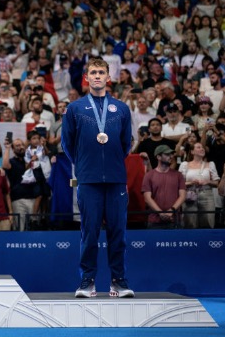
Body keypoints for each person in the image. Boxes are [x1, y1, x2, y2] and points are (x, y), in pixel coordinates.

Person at [61, 57, 134, 298]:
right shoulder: (75, 108)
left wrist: (110, 162)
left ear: (108, 77)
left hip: (115, 179)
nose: (97, 76)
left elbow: (125, 144)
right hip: (89, 180)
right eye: (93, 72)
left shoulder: (121, 109)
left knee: (118, 234)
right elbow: (67, 144)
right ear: (86, 78)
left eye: (101, 72)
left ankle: (118, 282)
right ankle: (87, 282)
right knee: (89, 233)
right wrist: (83, 166)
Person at [141, 145, 186, 229]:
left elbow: (182, 196)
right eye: (167, 154)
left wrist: (171, 210)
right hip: (154, 220)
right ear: (158, 157)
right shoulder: (149, 175)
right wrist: (161, 213)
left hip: (174, 220)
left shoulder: (178, 175)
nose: (171, 156)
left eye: (171, 154)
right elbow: (147, 198)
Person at [178, 142, 219, 229]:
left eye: (203, 147)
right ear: (192, 151)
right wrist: (191, 183)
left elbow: (217, 183)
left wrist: (207, 181)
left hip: (207, 195)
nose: (202, 149)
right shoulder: (184, 165)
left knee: (208, 223)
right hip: (190, 196)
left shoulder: (210, 164)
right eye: (198, 147)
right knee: (190, 224)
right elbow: (179, 184)